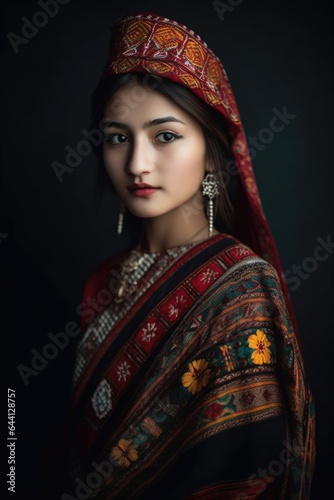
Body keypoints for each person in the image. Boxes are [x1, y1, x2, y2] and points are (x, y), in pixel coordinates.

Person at [63, 12, 315, 499]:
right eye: (118, 137)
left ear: (211, 150)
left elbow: (248, 473)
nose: (137, 163)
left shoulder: (242, 287)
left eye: (165, 135)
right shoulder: (101, 283)